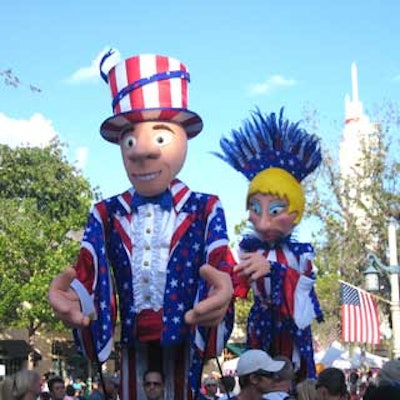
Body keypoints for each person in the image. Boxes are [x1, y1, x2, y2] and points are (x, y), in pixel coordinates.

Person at [48, 51, 235, 400]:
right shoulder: (106, 212)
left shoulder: (205, 208)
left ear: (183, 139)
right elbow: (88, 271)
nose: (141, 152)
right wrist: (75, 297)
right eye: (130, 141)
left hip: (185, 339)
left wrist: (225, 291)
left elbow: (221, 262)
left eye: (160, 138)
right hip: (132, 342)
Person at [215, 108, 324, 379]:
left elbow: (306, 296)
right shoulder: (248, 249)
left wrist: (274, 270)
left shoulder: (300, 255)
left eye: (275, 210)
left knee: (292, 375)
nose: (262, 222)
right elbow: (234, 287)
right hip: (259, 326)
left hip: (291, 331)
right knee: (259, 377)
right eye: (255, 208)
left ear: (295, 213)